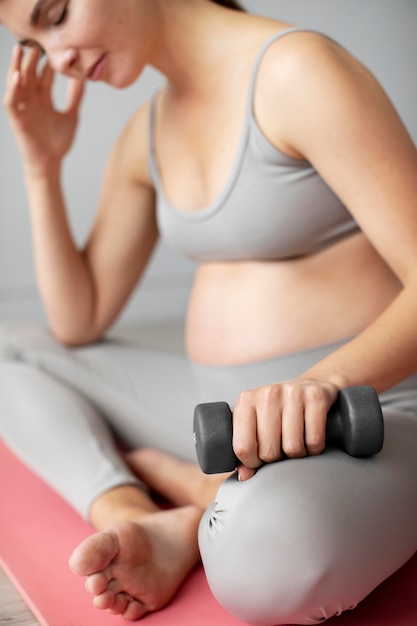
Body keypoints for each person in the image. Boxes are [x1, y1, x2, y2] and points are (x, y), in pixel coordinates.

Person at [1, 0, 417, 624]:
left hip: (364, 415)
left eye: (55, 15)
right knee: (10, 351)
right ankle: (135, 512)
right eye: (34, 41)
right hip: (225, 421)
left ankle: (203, 498)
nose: (57, 58)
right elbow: (77, 321)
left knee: (267, 556)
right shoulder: (146, 132)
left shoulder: (299, 72)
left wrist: (323, 384)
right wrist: (41, 166)